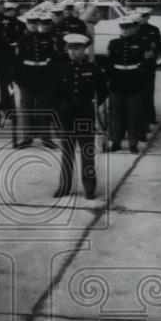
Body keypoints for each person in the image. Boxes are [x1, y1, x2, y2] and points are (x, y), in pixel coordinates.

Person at [53, 34, 106, 199]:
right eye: (70, 48)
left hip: (85, 116)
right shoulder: (60, 68)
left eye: (77, 49)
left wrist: (94, 104)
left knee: (87, 154)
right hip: (66, 117)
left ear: (84, 50)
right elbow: (54, 95)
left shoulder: (93, 69)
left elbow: (103, 90)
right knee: (66, 154)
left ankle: (89, 187)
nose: (73, 52)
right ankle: (64, 186)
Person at [13, 15, 61, 149]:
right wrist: (16, 79)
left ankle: (46, 138)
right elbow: (17, 61)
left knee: (45, 108)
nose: (33, 26)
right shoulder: (22, 40)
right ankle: (27, 138)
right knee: (26, 108)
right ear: (26, 24)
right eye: (30, 23)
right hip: (27, 78)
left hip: (44, 77)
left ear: (39, 23)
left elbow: (54, 57)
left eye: (35, 23)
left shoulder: (47, 39)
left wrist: (52, 76)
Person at [105, 15, 147, 154]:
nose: (126, 30)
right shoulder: (113, 43)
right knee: (117, 114)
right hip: (117, 82)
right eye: (123, 27)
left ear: (132, 28)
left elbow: (145, 63)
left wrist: (140, 77)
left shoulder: (141, 42)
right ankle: (116, 141)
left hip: (134, 82)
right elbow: (109, 63)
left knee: (133, 114)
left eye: (128, 27)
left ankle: (133, 143)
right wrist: (110, 79)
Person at [0, 1, 27, 128]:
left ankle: (8, 109)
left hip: (13, 58)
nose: (9, 12)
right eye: (7, 10)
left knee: (9, 85)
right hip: (0, 57)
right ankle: (2, 107)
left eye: (12, 10)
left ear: (16, 11)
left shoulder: (20, 24)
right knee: (2, 85)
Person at [135, 8, 161, 134]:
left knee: (148, 92)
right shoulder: (133, 29)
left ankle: (150, 118)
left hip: (149, 65)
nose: (143, 18)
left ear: (148, 17)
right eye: (141, 16)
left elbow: (160, 46)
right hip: (136, 65)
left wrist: (155, 51)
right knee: (138, 94)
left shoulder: (154, 30)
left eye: (145, 16)